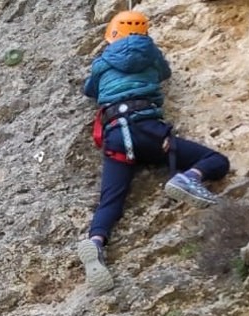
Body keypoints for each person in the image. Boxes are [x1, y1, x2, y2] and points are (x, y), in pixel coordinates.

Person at [79, 10, 231, 292]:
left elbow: (89, 90)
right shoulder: (152, 53)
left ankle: (96, 241)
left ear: (113, 35)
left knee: (111, 200)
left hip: (117, 135)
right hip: (149, 131)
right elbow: (165, 73)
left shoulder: (103, 62)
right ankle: (188, 177)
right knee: (216, 160)